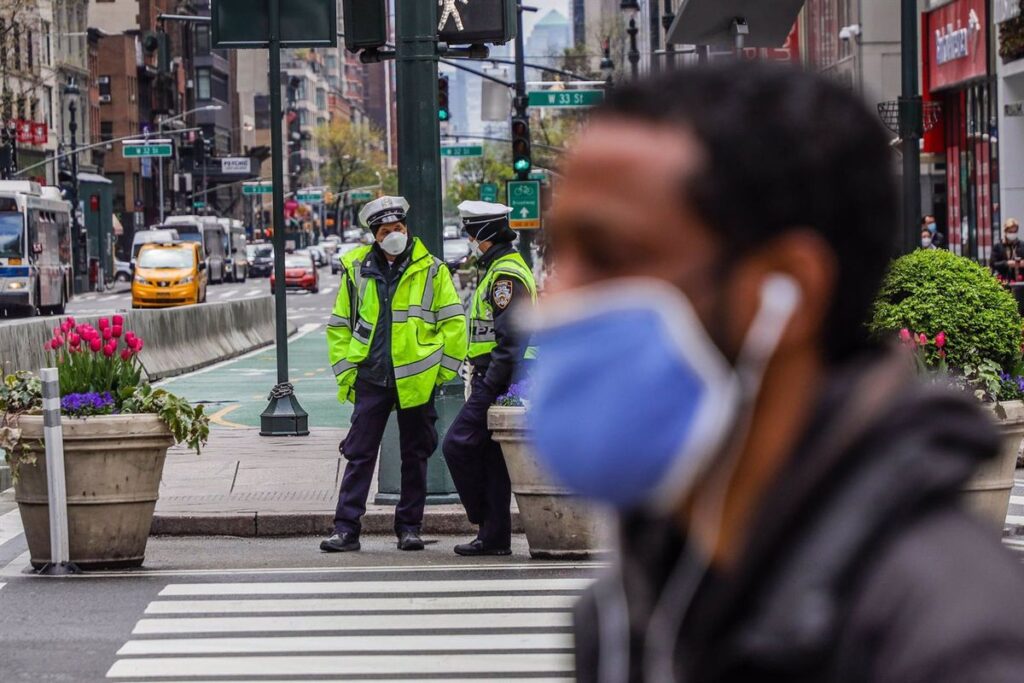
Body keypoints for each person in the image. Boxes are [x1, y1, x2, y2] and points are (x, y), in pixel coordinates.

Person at [528, 63, 1024, 681]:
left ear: (784, 291)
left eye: (609, 256)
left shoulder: (952, 642)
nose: (556, 301)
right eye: (560, 254)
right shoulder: (632, 613)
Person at [322, 196, 467, 553]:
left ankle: (409, 527)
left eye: (399, 228)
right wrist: (348, 376)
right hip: (371, 377)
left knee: (415, 455)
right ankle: (346, 528)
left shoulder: (432, 269)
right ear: (374, 235)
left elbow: (454, 322)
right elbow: (340, 326)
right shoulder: (356, 270)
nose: (395, 235)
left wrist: (441, 374)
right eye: (387, 231)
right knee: (359, 453)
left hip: (417, 380)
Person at [442, 200, 537, 556]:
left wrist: (487, 389)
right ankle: (493, 536)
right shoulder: (499, 268)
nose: (468, 239)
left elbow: (511, 341)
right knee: (492, 459)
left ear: (484, 234)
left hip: (502, 379)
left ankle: (483, 519)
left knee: (458, 444)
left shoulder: (505, 276)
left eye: (470, 233)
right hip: (500, 377)